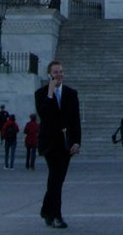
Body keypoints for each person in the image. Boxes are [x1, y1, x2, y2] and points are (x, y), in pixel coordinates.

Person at [36, 61, 82, 229]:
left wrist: (77, 141)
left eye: (61, 71)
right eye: (55, 72)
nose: (59, 74)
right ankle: (56, 216)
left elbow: (75, 120)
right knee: (56, 178)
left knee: (57, 179)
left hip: (66, 142)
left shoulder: (71, 93)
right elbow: (44, 115)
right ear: (50, 75)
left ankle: (46, 210)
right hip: (50, 143)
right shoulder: (41, 93)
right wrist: (50, 92)